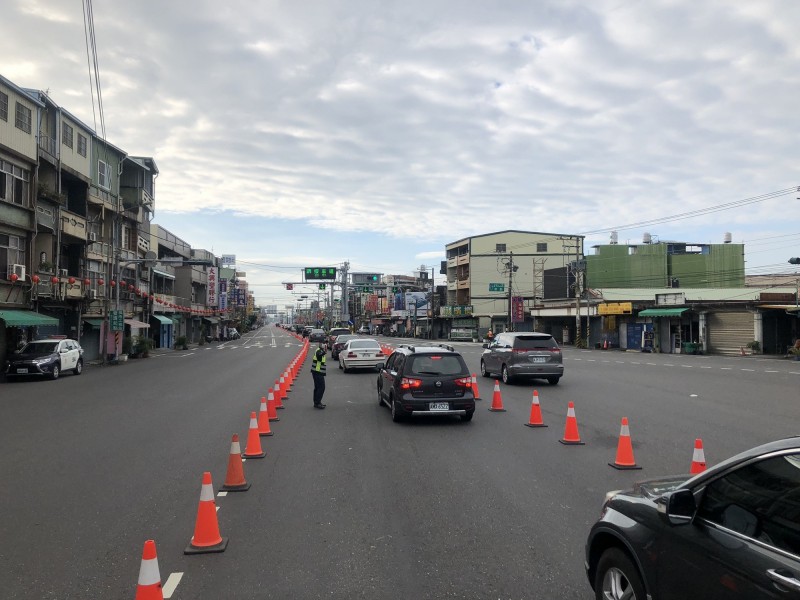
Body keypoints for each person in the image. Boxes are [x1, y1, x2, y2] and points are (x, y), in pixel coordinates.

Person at [310, 341, 327, 409]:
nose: (325, 345)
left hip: (318, 371)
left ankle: (317, 402)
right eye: (324, 343)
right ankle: (317, 403)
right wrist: (324, 352)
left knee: (317, 388)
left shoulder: (320, 350)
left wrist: (324, 352)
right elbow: (319, 355)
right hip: (317, 372)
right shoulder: (319, 351)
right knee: (321, 387)